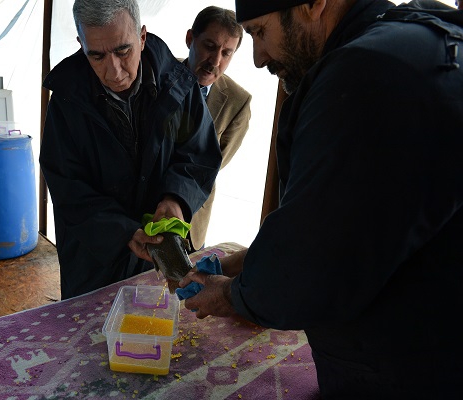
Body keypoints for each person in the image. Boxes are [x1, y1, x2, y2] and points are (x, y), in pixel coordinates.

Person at [178, 0, 463, 398]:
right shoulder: (419, 32)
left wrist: (226, 295)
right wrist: (239, 265)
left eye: (260, 32)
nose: (258, 58)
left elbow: (307, 261)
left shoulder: (366, 75)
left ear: (313, 5)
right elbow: (340, 217)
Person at [40, 0, 221, 300]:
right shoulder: (67, 103)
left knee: (161, 333)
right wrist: (124, 232)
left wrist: (176, 198)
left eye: (123, 51)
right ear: (80, 44)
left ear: (142, 37)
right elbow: (68, 189)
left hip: (163, 257)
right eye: (96, 55)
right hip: (95, 261)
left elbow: (197, 154)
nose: (113, 70)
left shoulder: (178, 86)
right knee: (93, 339)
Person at [182, 6, 252, 251]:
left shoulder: (238, 102)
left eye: (227, 53)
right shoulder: (156, 77)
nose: (216, 61)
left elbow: (213, 166)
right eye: (209, 47)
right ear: (190, 39)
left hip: (191, 226)